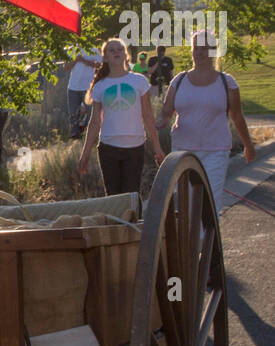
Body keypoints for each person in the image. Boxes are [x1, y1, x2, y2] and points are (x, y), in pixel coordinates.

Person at [157, 29, 255, 214]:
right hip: (183, 151)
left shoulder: (227, 82)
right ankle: (189, 243)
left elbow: (237, 117)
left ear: (213, 51)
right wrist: (161, 122)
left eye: (204, 48)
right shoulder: (179, 81)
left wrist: (248, 146)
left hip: (215, 151)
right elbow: (166, 112)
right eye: (196, 48)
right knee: (185, 204)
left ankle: (205, 243)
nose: (199, 52)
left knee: (209, 202)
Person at [78, 38, 164, 194]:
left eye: (120, 49)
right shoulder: (100, 86)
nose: (116, 52)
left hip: (135, 146)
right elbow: (95, 122)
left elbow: (148, 116)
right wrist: (85, 154)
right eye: (112, 50)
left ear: (126, 55)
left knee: (131, 194)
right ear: (105, 57)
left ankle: (133, 219)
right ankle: (116, 220)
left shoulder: (139, 81)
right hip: (108, 147)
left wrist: (157, 147)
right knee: (113, 197)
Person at [66, 46, 99, 139]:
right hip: (73, 86)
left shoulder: (93, 49)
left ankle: (87, 132)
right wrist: (75, 60)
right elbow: (66, 67)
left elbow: (99, 65)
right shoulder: (71, 49)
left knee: (90, 112)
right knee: (73, 113)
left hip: (88, 87)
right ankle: (74, 135)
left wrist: (84, 61)